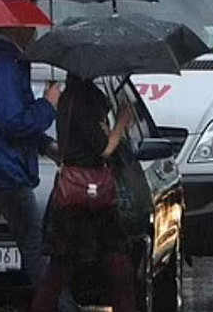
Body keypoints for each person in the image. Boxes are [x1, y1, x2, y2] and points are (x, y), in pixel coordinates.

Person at [0, 27, 62, 287]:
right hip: (7, 171)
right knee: (35, 249)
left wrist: (45, 146)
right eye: (29, 25)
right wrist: (48, 105)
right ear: (14, 28)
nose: (35, 32)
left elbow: (2, 121)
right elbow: (12, 122)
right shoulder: (6, 66)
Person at [31, 76, 135, 312]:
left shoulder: (70, 97)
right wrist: (121, 123)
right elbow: (104, 149)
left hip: (72, 195)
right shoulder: (83, 100)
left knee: (59, 269)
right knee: (118, 267)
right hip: (90, 196)